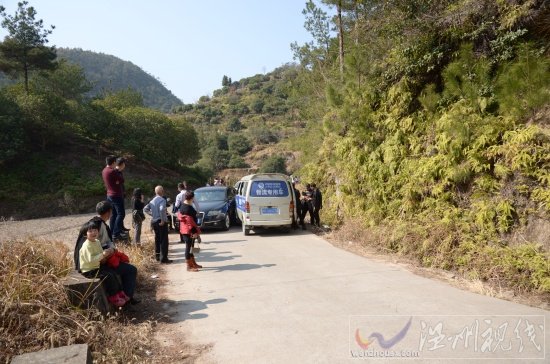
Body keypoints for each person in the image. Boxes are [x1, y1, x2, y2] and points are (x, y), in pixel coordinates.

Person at [74, 201, 140, 305]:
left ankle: (124, 296)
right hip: (96, 264)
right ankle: (127, 298)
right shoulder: (99, 225)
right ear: (109, 212)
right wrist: (111, 251)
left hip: (85, 263)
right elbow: (105, 244)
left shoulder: (91, 224)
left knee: (122, 268)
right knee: (130, 270)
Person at [78, 221, 127, 307]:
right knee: (108, 276)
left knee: (112, 272)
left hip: (97, 266)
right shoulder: (86, 245)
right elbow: (91, 260)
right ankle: (113, 297)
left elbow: (101, 253)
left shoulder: (96, 242)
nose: (94, 232)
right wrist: (103, 255)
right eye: (90, 231)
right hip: (89, 270)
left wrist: (106, 253)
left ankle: (119, 292)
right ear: (85, 234)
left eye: (95, 230)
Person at [144, 186, 172, 263]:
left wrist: (152, 214)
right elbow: (162, 209)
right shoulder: (162, 200)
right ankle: (164, 258)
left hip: (154, 222)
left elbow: (145, 209)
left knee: (157, 239)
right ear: (162, 191)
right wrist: (163, 220)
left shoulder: (152, 201)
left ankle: (157, 256)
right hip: (161, 221)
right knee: (164, 240)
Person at [102, 155, 127, 240]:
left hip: (109, 195)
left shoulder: (104, 170)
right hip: (116, 195)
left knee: (113, 215)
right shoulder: (112, 171)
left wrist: (117, 181)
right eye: (115, 162)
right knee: (121, 214)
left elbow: (119, 181)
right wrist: (117, 181)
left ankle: (112, 232)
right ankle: (116, 233)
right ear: (113, 163)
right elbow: (122, 180)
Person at [177, 191, 202, 272]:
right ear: (192, 198)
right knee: (188, 248)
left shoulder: (183, 206)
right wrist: (194, 232)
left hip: (185, 230)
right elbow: (190, 222)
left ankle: (193, 263)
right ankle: (189, 266)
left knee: (191, 247)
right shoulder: (188, 208)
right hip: (189, 231)